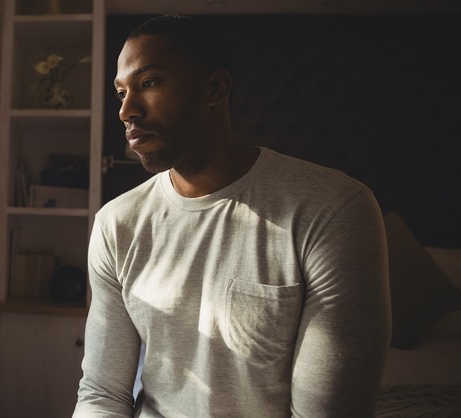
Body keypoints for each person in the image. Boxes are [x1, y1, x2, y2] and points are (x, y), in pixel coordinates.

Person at [73, 15, 391, 417]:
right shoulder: (116, 223)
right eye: (121, 93)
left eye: (149, 83)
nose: (126, 111)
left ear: (214, 88)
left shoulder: (332, 209)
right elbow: (103, 393)